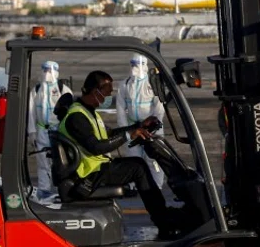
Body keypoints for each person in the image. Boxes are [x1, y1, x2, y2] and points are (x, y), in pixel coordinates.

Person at [58, 70, 183, 238]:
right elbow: (96, 147)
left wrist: (138, 126)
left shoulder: (86, 112)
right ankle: (163, 220)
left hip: (96, 170)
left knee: (137, 165)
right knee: (138, 167)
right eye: (108, 93)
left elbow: (109, 135)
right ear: (96, 92)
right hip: (88, 176)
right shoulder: (77, 117)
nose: (109, 97)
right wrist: (129, 135)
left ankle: (162, 215)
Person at [116, 54, 166, 189]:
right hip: (133, 128)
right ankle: (134, 185)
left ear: (145, 65)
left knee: (153, 158)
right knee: (133, 158)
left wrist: (153, 126)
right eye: (133, 65)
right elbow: (120, 108)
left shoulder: (153, 84)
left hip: (152, 128)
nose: (136, 68)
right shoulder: (125, 85)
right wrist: (125, 129)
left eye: (139, 65)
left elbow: (159, 107)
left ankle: (157, 185)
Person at [27, 60, 72, 194]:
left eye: (50, 71)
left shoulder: (64, 90)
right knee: (43, 163)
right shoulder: (36, 90)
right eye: (45, 70)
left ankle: (61, 190)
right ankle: (44, 190)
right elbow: (31, 112)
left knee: (61, 161)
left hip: (59, 131)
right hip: (42, 131)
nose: (48, 73)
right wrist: (32, 132)